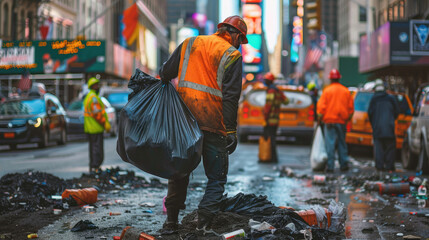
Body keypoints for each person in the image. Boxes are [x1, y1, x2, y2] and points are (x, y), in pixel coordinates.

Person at [158, 15, 248, 234]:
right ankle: (203, 224)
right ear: (234, 35)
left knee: (178, 172)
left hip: (184, 121)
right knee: (216, 178)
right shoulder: (232, 55)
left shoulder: (190, 43)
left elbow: (165, 73)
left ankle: (171, 222)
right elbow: (230, 97)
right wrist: (230, 130)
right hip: (212, 121)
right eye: (240, 40)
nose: (240, 46)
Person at [317, 69, 354, 173]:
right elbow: (351, 109)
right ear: (339, 78)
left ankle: (330, 166)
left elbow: (321, 108)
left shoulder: (327, 91)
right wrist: (347, 119)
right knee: (342, 143)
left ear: (330, 79)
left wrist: (320, 119)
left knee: (330, 144)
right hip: (341, 121)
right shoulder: (345, 91)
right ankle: (343, 165)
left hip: (329, 121)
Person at [368, 79, 399, 172]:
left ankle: (380, 166)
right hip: (389, 127)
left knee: (379, 148)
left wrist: (374, 124)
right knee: (390, 147)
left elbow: (370, 113)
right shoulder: (390, 98)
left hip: (377, 128)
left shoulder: (374, 99)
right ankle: (389, 166)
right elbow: (396, 112)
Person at [83, 77, 111, 175]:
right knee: (97, 149)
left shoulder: (89, 96)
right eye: (96, 85)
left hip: (91, 128)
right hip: (95, 127)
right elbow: (97, 113)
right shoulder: (93, 98)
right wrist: (104, 122)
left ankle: (93, 167)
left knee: (93, 149)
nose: (98, 87)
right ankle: (95, 167)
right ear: (93, 87)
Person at [262, 72, 289, 162]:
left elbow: (268, 106)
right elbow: (286, 101)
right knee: (273, 138)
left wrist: (265, 117)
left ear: (269, 81)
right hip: (276, 119)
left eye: (265, 79)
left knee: (269, 139)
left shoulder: (271, 91)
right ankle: (273, 157)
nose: (264, 81)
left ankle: (269, 157)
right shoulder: (277, 91)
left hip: (270, 119)